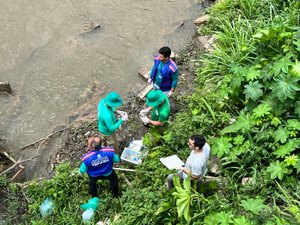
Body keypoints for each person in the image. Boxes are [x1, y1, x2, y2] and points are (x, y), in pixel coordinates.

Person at [79, 136, 120, 210]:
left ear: (92, 147)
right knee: (114, 180)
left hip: (94, 175)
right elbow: (116, 160)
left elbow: (82, 170)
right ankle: (114, 194)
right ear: (101, 144)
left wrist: (81, 173)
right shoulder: (109, 152)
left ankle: (94, 196)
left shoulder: (87, 158)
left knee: (92, 184)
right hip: (108, 172)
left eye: (88, 144)